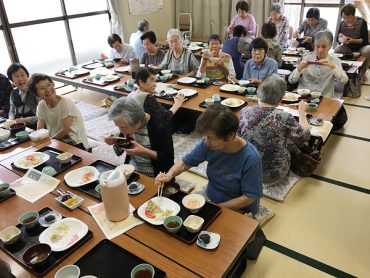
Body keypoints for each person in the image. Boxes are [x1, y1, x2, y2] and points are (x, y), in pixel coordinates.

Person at [155, 105, 262, 215]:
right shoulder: (208, 144)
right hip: (213, 197)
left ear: (230, 136)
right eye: (204, 136)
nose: (206, 141)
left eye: (211, 138)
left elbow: (249, 197)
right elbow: (186, 162)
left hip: (239, 207)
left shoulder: (250, 158)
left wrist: (216, 208)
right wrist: (169, 175)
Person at [238, 75, 311, 185]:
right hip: (272, 173)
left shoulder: (245, 111)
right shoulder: (284, 117)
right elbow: (305, 136)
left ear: (259, 93)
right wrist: (302, 111)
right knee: (290, 142)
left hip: (246, 167)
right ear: (281, 98)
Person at [104, 97, 174, 177]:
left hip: (155, 175)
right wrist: (114, 141)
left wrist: (144, 151)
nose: (120, 130)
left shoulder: (159, 126)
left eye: (122, 127)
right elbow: (122, 148)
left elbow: (168, 158)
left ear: (138, 121)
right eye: (118, 126)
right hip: (130, 170)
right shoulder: (126, 123)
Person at [28, 74, 89, 151]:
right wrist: (39, 140)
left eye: (49, 85)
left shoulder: (66, 102)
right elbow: (40, 129)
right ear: (36, 94)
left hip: (76, 143)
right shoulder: (41, 105)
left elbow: (65, 130)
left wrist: (49, 141)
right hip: (56, 141)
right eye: (42, 88)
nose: (47, 90)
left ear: (53, 85)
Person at [289, 31, 348, 98]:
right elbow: (291, 81)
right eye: (317, 46)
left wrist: (334, 67)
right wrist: (298, 69)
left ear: (330, 46)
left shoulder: (334, 61)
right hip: (304, 96)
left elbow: (344, 80)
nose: (320, 50)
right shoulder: (306, 58)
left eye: (324, 47)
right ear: (314, 46)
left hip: (324, 97)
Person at [335, 3, 370, 81]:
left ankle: (361, 74)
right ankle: (344, 72)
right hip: (348, 47)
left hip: (361, 46)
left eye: (346, 17)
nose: (344, 19)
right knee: (337, 50)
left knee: (368, 50)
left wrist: (352, 40)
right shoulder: (342, 23)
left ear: (352, 15)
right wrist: (342, 40)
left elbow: (364, 40)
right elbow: (337, 38)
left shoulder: (361, 22)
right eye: (343, 17)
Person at [6, 63, 38, 129]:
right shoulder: (13, 93)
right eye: (16, 76)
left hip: (38, 128)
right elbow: (11, 111)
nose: (20, 79)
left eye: (22, 75)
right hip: (21, 128)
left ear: (28, 76)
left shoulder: (36, 92)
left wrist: (26, 120)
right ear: (12, 80)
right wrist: (11, 119)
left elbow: (44, 116)